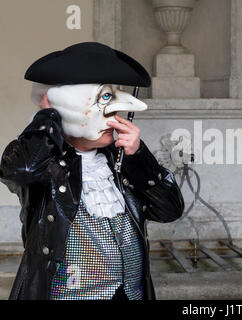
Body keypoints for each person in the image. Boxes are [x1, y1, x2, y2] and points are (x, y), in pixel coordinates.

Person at [0, 42, 185, 300]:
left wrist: (140, 156)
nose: (114, 119)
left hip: (128, 295)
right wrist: (48, 117)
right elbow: (21, 169)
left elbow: (170, 211)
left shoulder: (120, 162)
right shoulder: (46, 165)